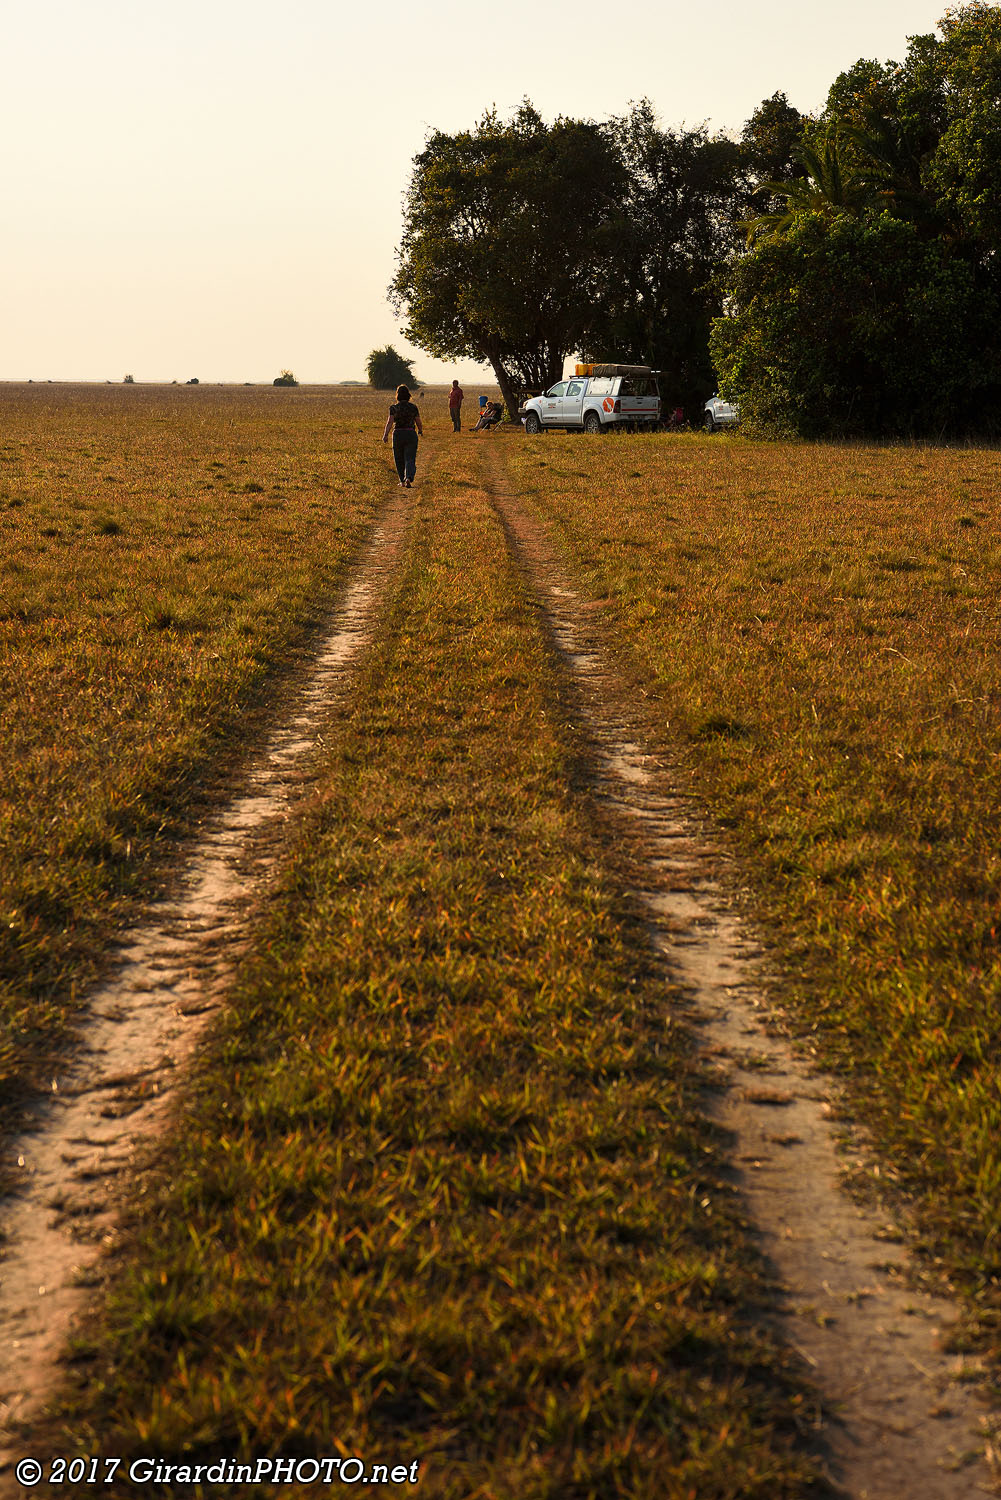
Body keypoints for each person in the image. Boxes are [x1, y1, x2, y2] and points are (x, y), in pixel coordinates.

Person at [382, 383, 423, 487]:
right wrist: (420, 430)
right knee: (410, 457)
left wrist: (385, 434)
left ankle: (402, 481)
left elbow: (390, 422)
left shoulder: (394, 408)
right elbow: (418, 421)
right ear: (408, 395)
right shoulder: (413, 407)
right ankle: (409, 477)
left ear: (398, 395)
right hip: (410, 433)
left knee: (399, 458)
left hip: (398, 434)